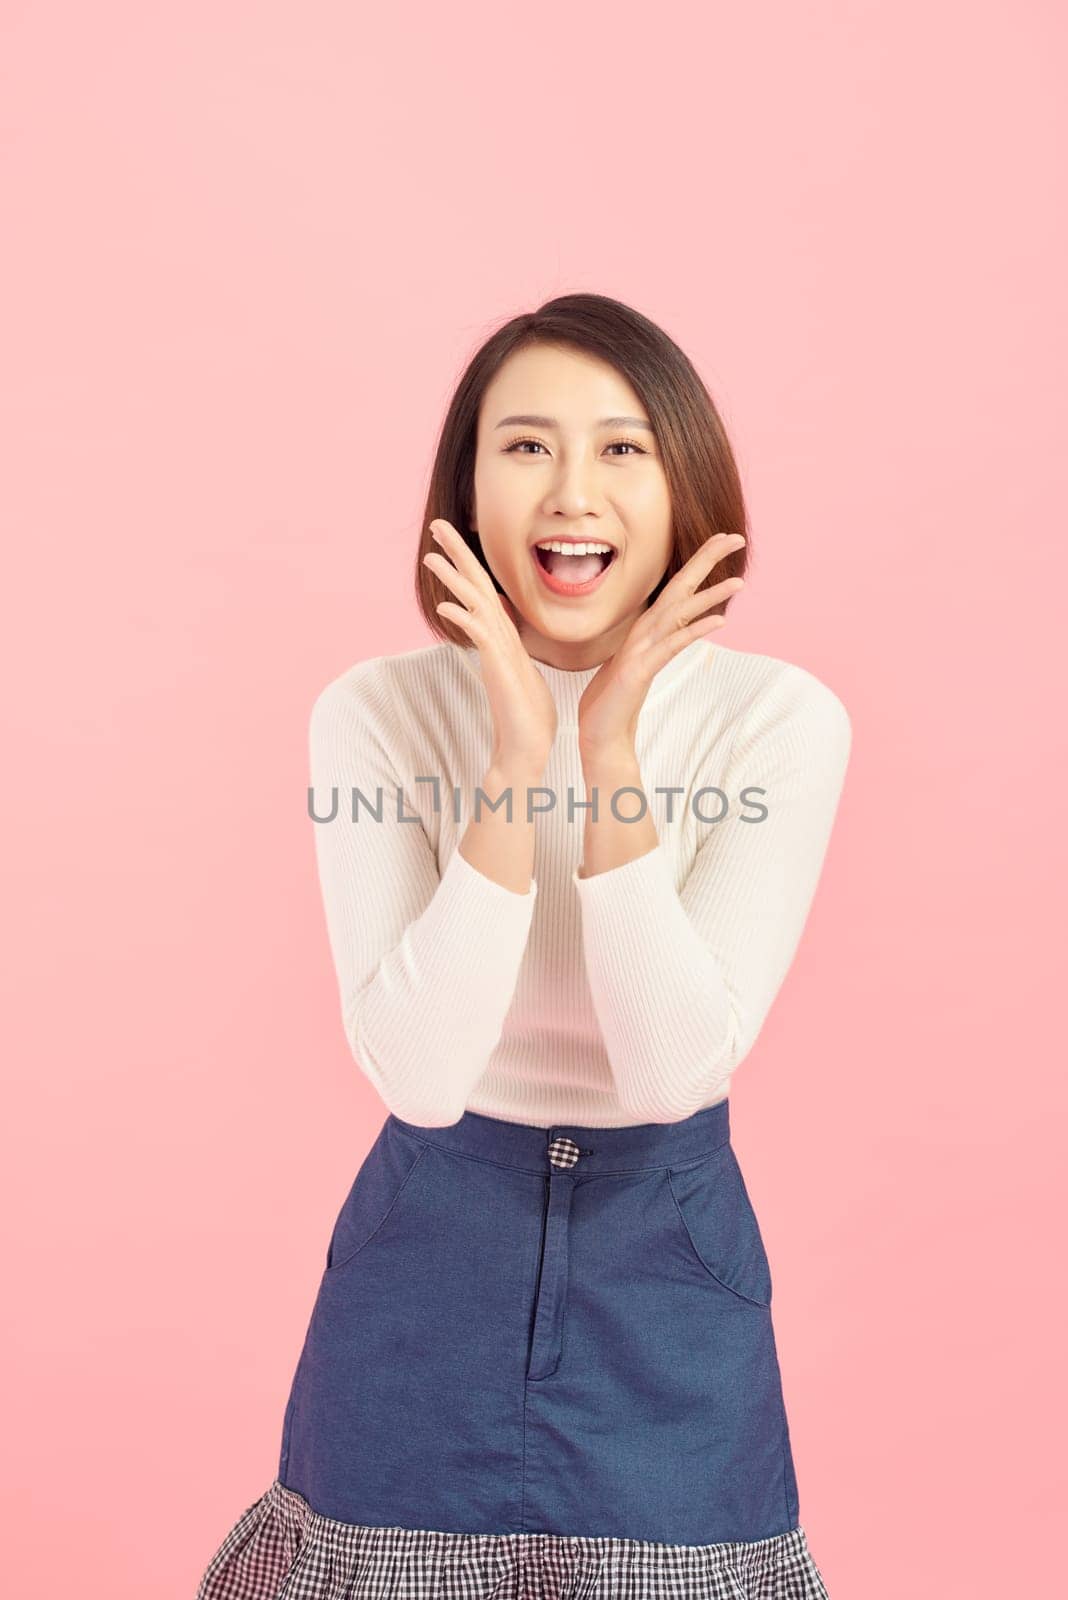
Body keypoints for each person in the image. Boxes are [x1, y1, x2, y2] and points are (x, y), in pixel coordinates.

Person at [195, 293, 851, 1599]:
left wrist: (604, 747)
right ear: (467, 493)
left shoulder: (778, 720)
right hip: (428, 1247)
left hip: (668, 1249)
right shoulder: (377, 714)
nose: (573, 491)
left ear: (685, 491)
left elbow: (670, 1073)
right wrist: (514, 752)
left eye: (621, 449)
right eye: (526, 445)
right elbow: (422, 1080)